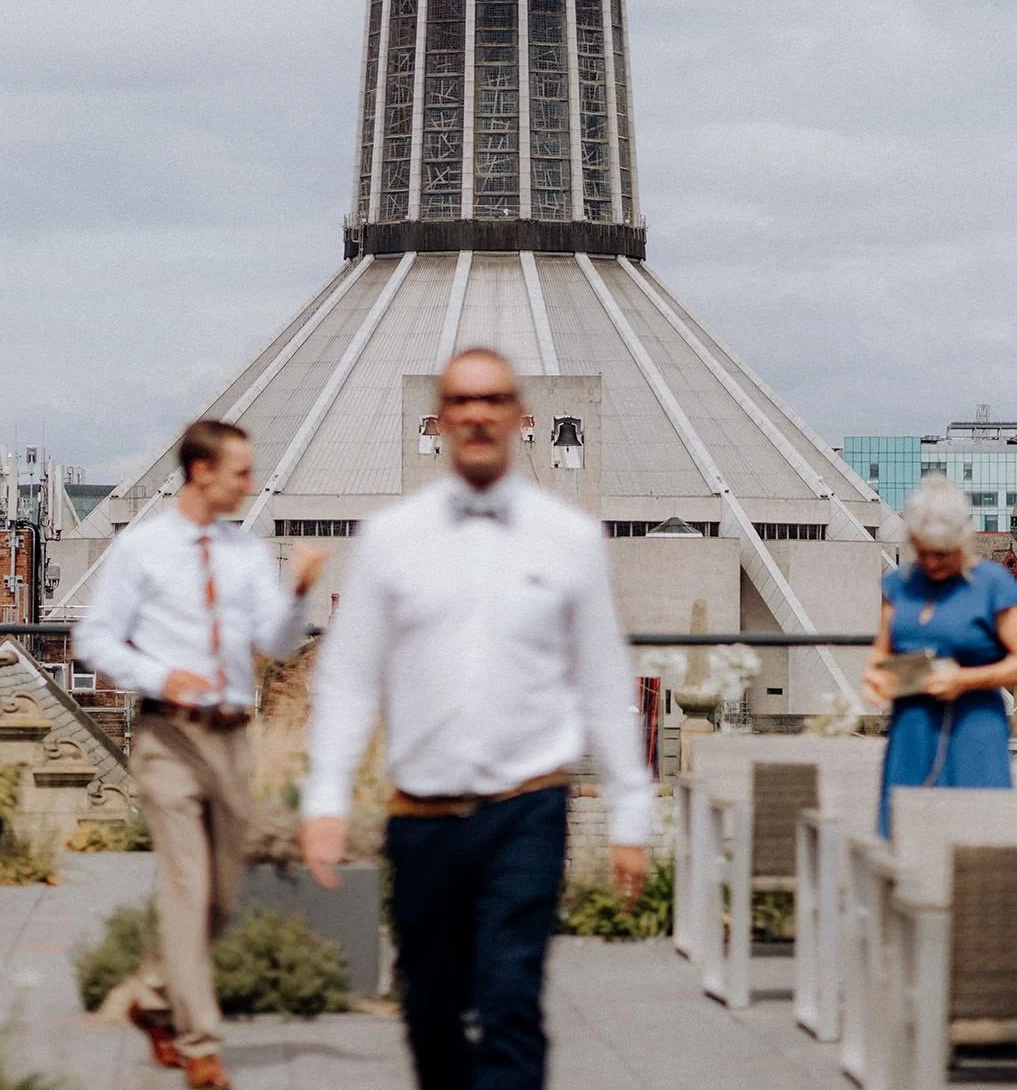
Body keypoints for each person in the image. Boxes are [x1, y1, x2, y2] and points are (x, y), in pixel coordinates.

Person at [298, 348, 655, 1090]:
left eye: (493, 399)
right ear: (441, 418)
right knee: (428, 1007)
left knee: (510, 998)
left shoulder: (569, 539)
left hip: (526, 808)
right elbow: (349, 677)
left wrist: (631, 811)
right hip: (422, 813)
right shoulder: (391, 538)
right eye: (462, 401)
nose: (478, 413)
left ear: (521, 417)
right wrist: (326, 799)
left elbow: (601, 674)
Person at [72, 419, 328, 1090]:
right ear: (200, 471)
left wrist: (299, 589)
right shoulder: (144, 549)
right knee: (186, 885)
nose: (252, 482)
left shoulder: (245, 551)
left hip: (231, 736)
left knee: (221, 893)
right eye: (240, 470)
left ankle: (156, 995)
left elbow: (274, 639)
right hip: (169, 736)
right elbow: (94, 638)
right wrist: (160, 675)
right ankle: (201, 1043)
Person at [863, 477, 1017, 837]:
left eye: (943, 553)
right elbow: (882, 652)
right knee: (903, 836)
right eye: (924, 551)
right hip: (910, 729)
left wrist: (964, 679)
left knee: (975, 840)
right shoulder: (897, 586)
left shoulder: (993, 584)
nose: (933, 562)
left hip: (972, 729)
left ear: (962, 542)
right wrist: (877, 676)